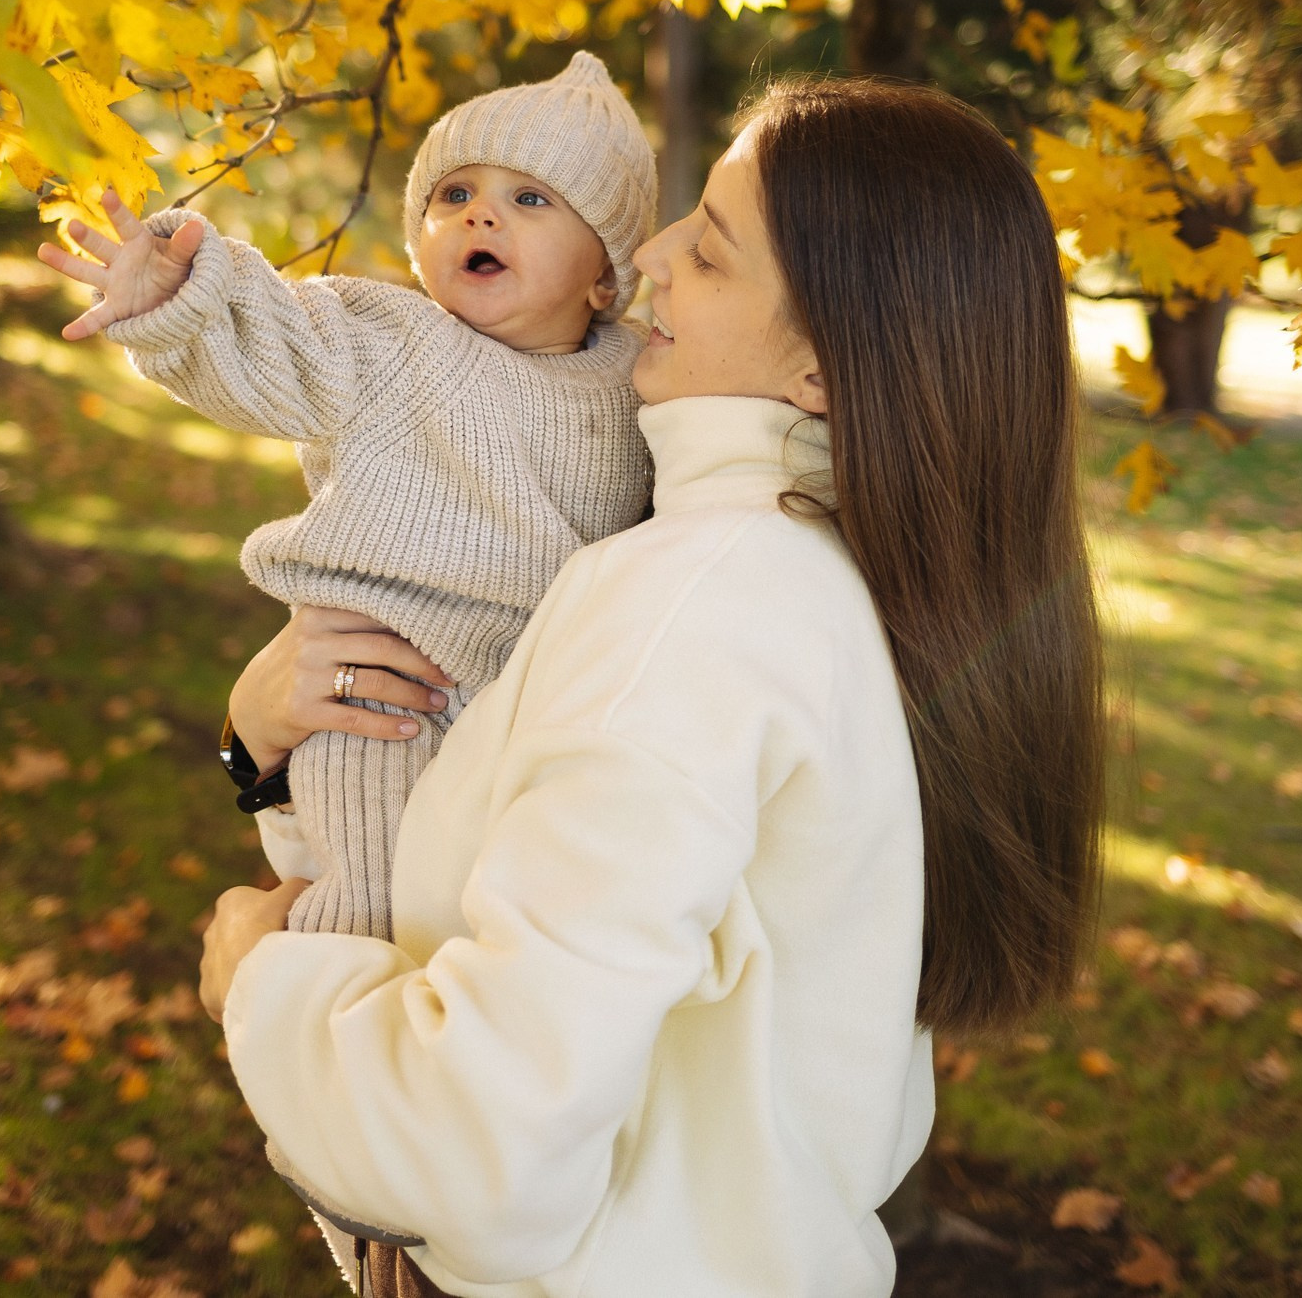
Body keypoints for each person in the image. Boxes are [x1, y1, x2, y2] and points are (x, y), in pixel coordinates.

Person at [199, 77, 1108, 1298]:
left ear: (823, 374)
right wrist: (256, 746)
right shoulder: (811, 571)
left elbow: (470, 1144)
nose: (652, 257)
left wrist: (259, 981)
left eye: (714, 252)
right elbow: (470, 865)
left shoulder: (695, 605)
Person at [36, 51, 660, 950]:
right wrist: (180, 295)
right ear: (417, 243)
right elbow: (273, 339)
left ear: (605, 277)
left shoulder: (636, 381)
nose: (481, 211)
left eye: (532, 199)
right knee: (370, 884)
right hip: (382, 687)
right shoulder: (387, 342)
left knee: (507, 905)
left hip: (530, 697)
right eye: (454, 195)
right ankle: (328, 998)